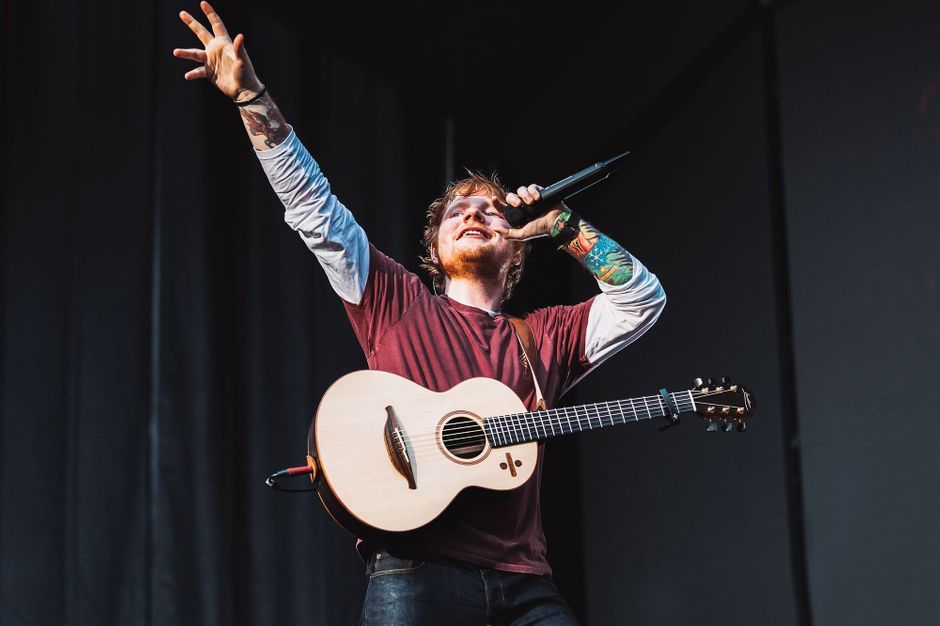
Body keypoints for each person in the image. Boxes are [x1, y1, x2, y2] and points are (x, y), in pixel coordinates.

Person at [173, 3, 666, 624]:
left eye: (492, 210)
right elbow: (312, 208)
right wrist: (251, 98)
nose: (475, 214)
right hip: (414, 570)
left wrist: (563, 225)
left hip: (527, 585)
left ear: (516, 248)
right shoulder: (395, 300)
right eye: (458, 211)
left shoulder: (546, 336)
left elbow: (642, 299)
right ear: (433, 251)